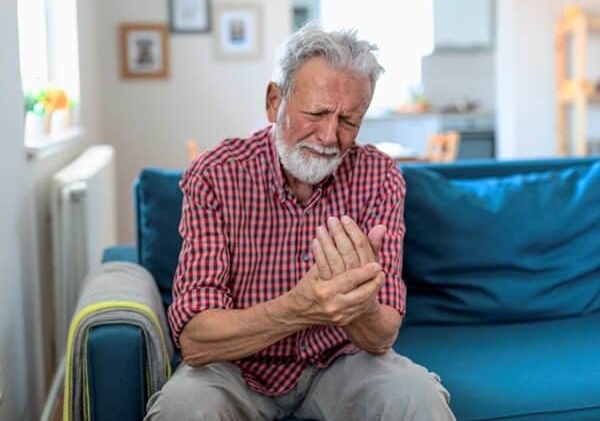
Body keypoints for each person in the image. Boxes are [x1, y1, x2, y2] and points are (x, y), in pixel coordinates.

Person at [145, 23, 455, 421]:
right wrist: (303, 306)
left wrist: (357, 303)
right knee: (183, 408)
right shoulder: (215, 174)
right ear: (275, 101)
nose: (329, 136)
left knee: (417, 397)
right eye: (317, 113)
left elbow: (382, 336)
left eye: (348, 121)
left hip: (339, 364)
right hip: (233, 367)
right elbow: (196, 340)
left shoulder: (380, 177)